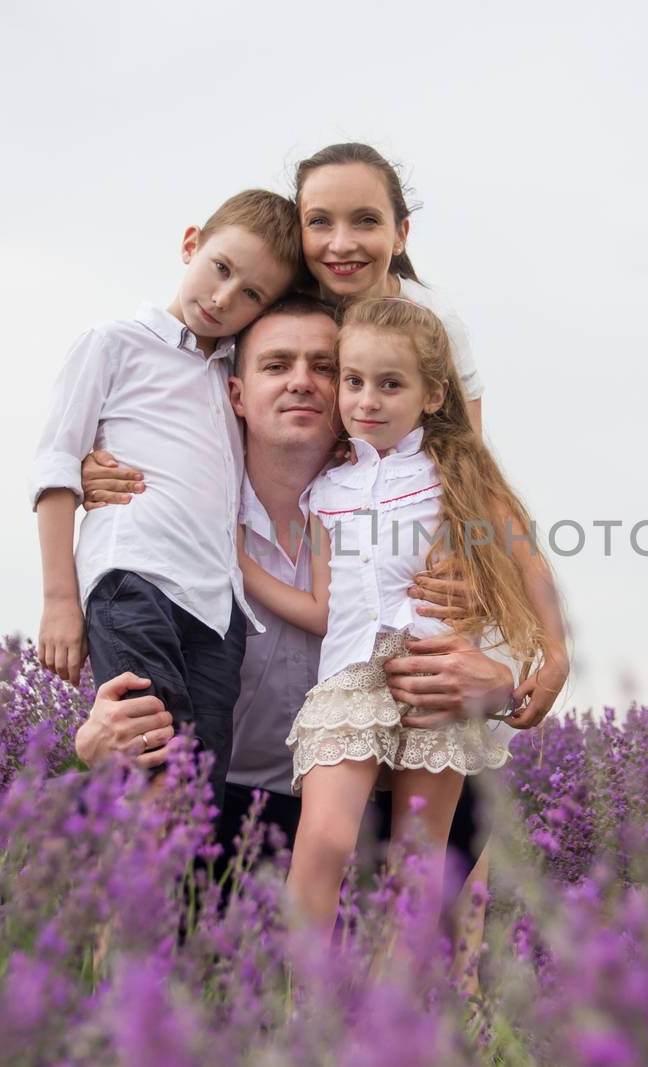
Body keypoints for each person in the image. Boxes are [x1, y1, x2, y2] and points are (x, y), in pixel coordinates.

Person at [71, 296, 524, 871]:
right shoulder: (174, 515)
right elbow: (126, 644)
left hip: (369, 797)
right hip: (226, 802)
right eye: (276, 365)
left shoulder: (417, 511)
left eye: (325, 367)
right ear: (236, 394)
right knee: (120, 815)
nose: (302, 383)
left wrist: (504, 687)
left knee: (456, 804)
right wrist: (90, 742)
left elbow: (514, 621)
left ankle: (430, 954)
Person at [239, 296, 569, 937]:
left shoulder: (455, 476)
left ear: (433, 394)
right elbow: (324, 609)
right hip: (349, 680)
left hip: (433, 679)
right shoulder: (326, 490)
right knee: (325, 842)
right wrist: (240, 565)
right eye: (354, 382)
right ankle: (302, 1006)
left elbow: (530, 566)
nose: (367, 400)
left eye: (391, 385)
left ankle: (400, 1017)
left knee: (420, 863)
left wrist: (554, 654)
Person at [31, 189, 304, 809]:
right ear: (191, 245)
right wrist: (59, 602)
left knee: (196, 795)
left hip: (217, 609)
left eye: (252, 295)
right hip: (136, 580)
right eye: (221, 268)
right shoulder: (114, 343)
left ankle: (159, 900)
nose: (224, 298)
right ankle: (97, 888)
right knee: (153, 766)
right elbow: (53, 468)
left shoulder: (240, 376)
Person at [294, 142, 485, 434]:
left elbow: (468, 447)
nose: (342, 244)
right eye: (319, 221)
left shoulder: (435, 319)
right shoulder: (279, 318)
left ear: (400, 234)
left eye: (366, 221)